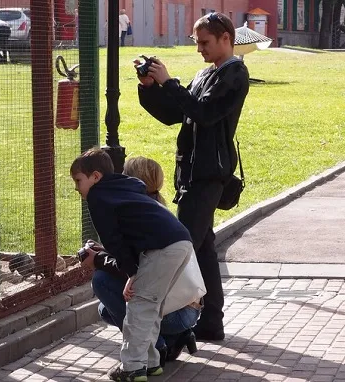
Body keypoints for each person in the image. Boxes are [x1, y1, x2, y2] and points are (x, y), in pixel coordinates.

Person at [135, 12, 250, 342]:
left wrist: (170, 82)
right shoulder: (205, 74)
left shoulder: (235, 74)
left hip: (209, 174)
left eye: (204, 42)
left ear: (225, 38)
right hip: (192, 172)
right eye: (197, 42)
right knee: (202, 249)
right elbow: (176, 114)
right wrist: (151, 88)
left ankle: (175, 321)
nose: (199, 48)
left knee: (180, 247)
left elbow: (205, 113)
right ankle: (211, 321)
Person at [70, 148, 194, 381]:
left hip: (162, 248)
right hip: (180, 242)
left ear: (95, 177)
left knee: (138, 308)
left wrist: (131, 272)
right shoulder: (125, 187)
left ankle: (132, 368)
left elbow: (113, 240)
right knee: (152, 307)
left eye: (78, 181)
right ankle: (151, 362)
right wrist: (133, 271)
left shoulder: (98, 196)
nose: (77, 188)